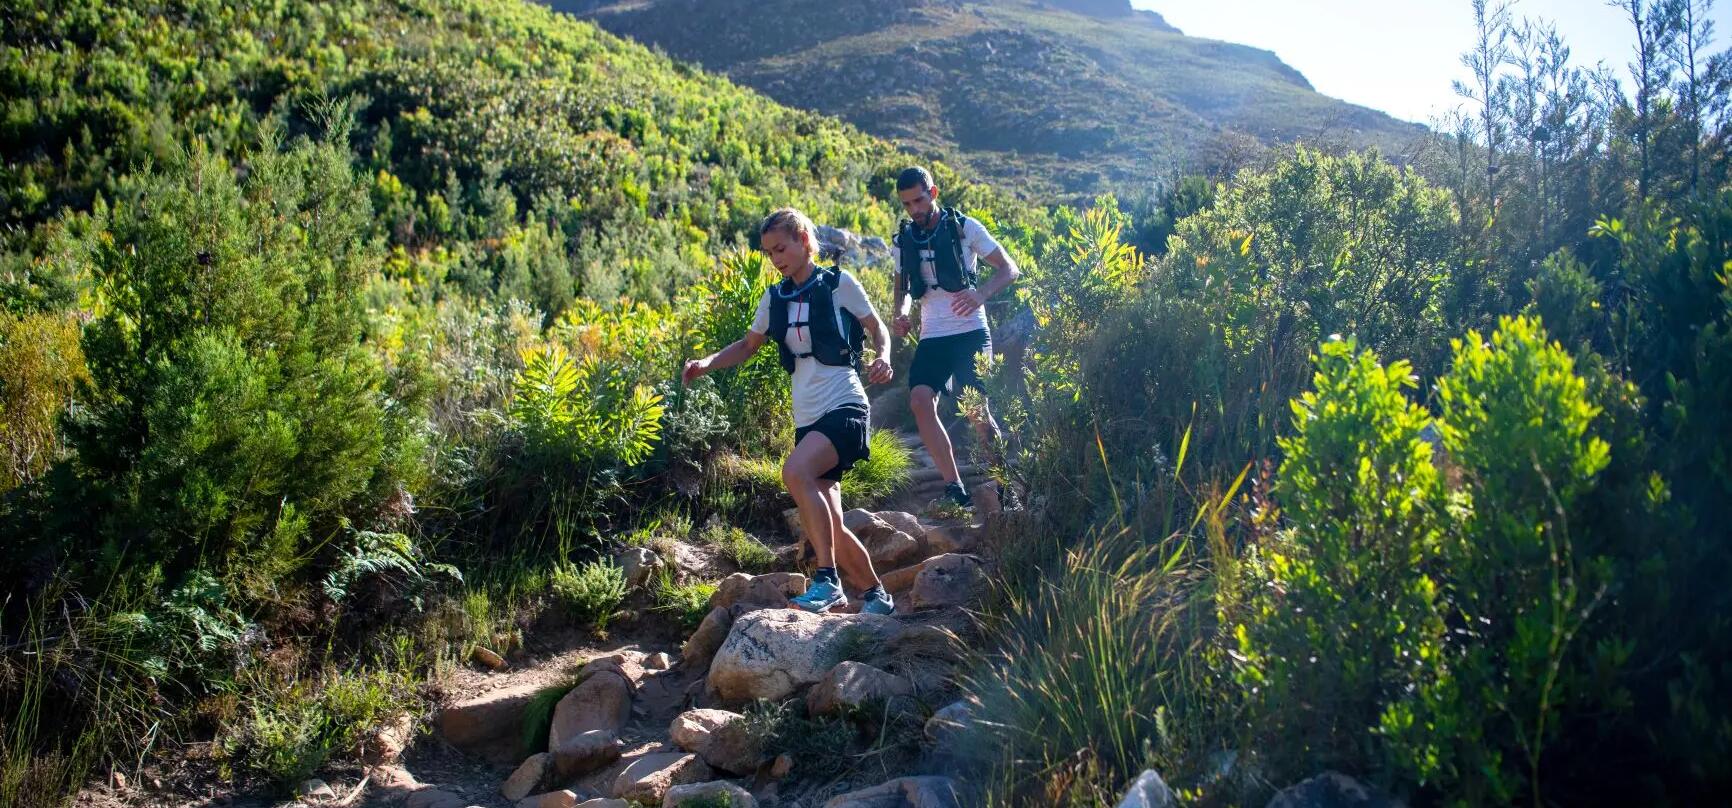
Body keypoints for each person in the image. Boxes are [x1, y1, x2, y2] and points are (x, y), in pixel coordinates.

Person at [682, 208, 897, 614]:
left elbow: (877, 327)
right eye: (768, 252)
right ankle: (876, 596)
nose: (776, 258)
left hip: (845, 405)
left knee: (795, 472)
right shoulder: (774, 297)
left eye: (781, 247)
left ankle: (827, 581)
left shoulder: (838, 284)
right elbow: (747, 346)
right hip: (808, 417)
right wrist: (707, 363)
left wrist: (883, 356)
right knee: (830, 521)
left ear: (803, 239)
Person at [890, 166, 1020, 510]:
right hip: (933, 335)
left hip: (970, 332)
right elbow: (902, 287)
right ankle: (953, 486)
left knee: (977, 410)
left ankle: (1007, 486)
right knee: (920, 401)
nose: (914, 210)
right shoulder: (904, 240)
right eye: (907, 204)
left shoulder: (965, 228)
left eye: (918, 200)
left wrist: (981, 294)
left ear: (932, 193)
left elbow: (1009, 268)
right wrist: (901, 313)